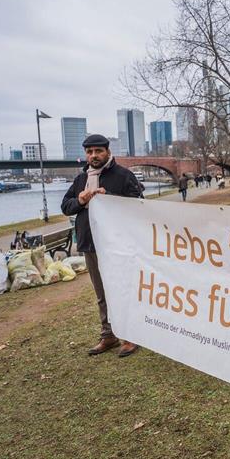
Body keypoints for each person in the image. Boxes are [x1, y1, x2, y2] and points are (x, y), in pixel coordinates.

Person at [62, 134, 145, 358]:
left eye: (98, 151)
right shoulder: (81, 180)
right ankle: (108, 334)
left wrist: (110, 198)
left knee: (122, 289)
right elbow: (66, 206)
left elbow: (139, 204)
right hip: (90, 243)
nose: (93, 155)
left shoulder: (123, 175)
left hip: (118, 243)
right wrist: (80, 200)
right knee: (101, 292)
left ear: (107, 151)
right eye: (89, 152)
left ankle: (129, 335)